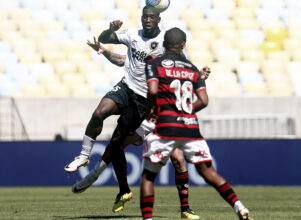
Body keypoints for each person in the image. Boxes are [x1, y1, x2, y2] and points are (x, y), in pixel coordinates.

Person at [65, 6, 209, 219]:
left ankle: (184, 209)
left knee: (166, 156)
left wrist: (200, 76)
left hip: (147, 104)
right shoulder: (133, 35)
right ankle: (86, 157)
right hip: (126, 88)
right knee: (100, 113)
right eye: (145, 17)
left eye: (151, 17)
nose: (147, 20)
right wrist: (107, 33)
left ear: (159, 19)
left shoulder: (166, 42)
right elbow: (118, 53)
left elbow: (184, 68)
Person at [141, 27, 251, 220]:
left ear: (164, 44)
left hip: (165, 127)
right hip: (190, 127)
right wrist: (185, 111)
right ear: (183, 45)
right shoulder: (192, 69)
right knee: (208, 172)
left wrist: (151, 110)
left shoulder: (155, 63)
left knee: (149, 175)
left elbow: (152, 91)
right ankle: (238, 205)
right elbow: (204, 100)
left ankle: (148, 218)